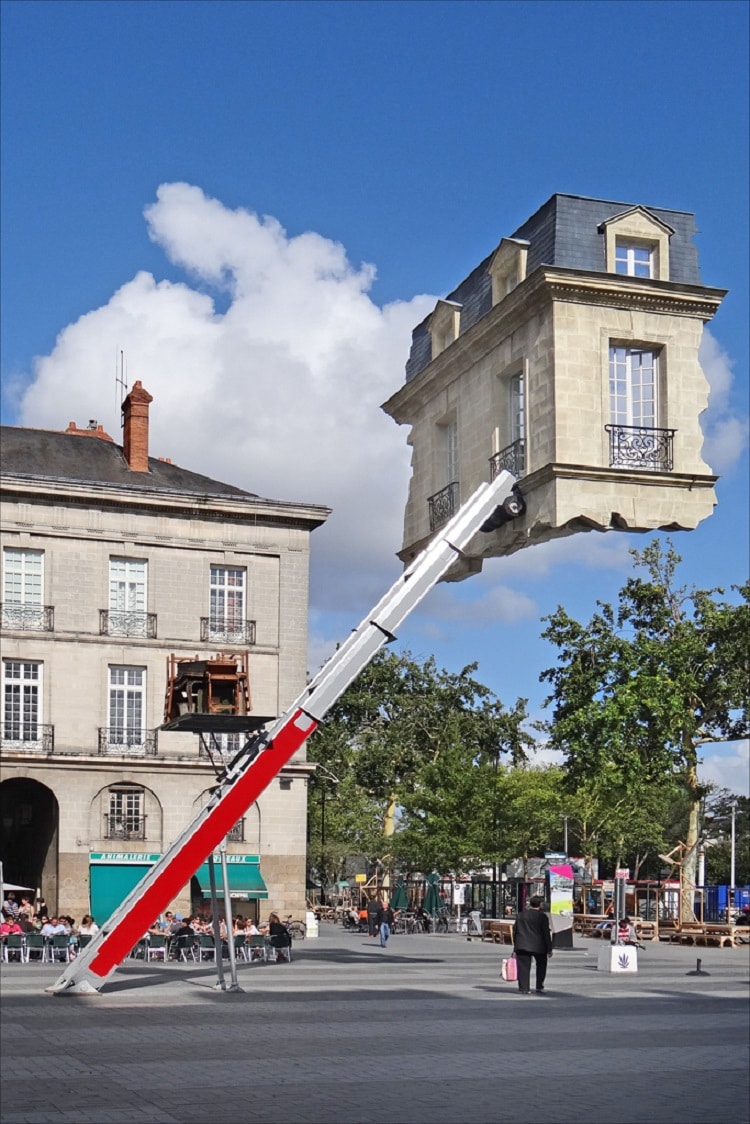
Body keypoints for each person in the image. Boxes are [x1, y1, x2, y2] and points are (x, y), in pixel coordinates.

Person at [512, 895, 553, 995]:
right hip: (539, 946)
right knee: (541, 965)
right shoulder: (542, 917)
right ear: (540, 905)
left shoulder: (521, 915)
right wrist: (549, 949)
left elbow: (515, 931)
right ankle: (539, 986)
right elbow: (546, 933)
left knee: (523, 967)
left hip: (522, 945)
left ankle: (524, 988)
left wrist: (516, 946)